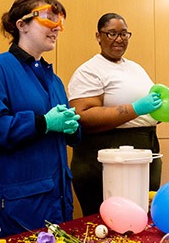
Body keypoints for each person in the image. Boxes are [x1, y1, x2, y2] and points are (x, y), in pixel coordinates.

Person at [0, 0, 80, 237]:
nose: (56, 29)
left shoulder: (55, 80)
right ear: (22, 25)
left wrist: (72, 128)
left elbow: (62, 131)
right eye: (49, 20)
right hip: (16, 204)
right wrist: (44, 123)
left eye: (59, 22)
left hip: (57, 199)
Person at [68, 13, 163, 216]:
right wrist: (136, 109)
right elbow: (82, 116)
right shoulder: (89, 70)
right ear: (98, 36)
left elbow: (144, 109)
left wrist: (159, 110)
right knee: (110, 221)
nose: (119, 39)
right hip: (108, 152)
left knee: (143, 216)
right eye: (111, 33)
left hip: (146, 148)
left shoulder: (136, 68)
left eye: (124, 34)